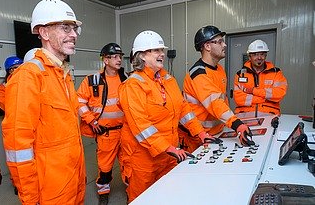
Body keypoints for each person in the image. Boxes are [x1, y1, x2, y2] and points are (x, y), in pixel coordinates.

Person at [2, 0, 86, 204]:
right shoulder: (28, 76)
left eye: (74, 29)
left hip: (74, 180)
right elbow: (17, 146)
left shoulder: (63, 75)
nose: (74, 35)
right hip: (51, 190)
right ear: (44, 33)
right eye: (66, 28)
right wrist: (30, 198)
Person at [118, 30, 212, 203]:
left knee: (167, 196)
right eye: (156, 50)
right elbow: (141, 126)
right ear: (142, 56)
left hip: (169, 154)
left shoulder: (168, 79)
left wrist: (200, 133)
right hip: (142, 159)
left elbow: (184, 110)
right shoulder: (132, 85)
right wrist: (168, 148)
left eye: (162, 50)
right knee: (142, 199)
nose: (162, 54)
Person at [179, 25, 253, 153]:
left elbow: (222, 101)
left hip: (217, 133)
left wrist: (229, 124)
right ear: (207, 46)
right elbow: (215, 103)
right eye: (219, 42)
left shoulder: (219, 70)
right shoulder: (198, 74)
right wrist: (236, 124)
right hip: (197, 137)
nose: (224, 45)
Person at [77, 43, 127, 204]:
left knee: (130, 163)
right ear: (105, 60)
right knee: (105, 167)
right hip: (106, 133)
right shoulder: (92, 81)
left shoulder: (127, 79)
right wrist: (91, 120)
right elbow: (79, 102)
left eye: (120, 56)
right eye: (115, 57)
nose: (119, 60)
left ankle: (132, 190)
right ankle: (103, 192)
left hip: (127, 131)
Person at [233, 39, 288, 118]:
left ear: (265, 56)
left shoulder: (276, 73)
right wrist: (265, 99)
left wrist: (253, 91)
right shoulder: (240, 74)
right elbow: (239, 99)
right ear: (249, 56)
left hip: (270, 116)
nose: (259, 57)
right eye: (255, 54)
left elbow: (279, 94)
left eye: (262, 54)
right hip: (244, 117)